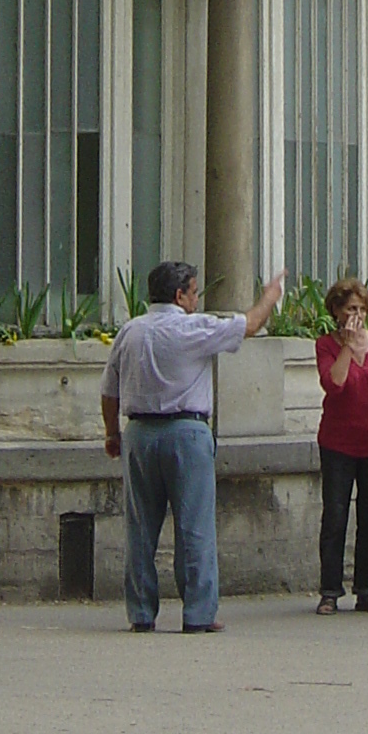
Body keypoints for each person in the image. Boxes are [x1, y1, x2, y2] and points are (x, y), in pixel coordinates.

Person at [101, 260, 284, 634]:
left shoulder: (130, 331)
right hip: (187, 430)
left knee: (140, 528)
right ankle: (198, 612)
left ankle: (141, 612)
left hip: (139, 432)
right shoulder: (193, 327)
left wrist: (111, 434)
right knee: (194, 526)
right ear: (179, 295)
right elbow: (250, 324)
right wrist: (269, 296)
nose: (197, 299)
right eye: (195, 292)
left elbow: (109, 389)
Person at [314, 279, 368, 615]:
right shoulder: (326, 345)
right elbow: (333, 383)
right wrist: (348, 347)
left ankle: (367, 589)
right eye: (350, 309)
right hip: (338, 442)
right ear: (336, 312)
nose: (357, 315)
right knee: (335, 516)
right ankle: (329, 590)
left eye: (362, 309)